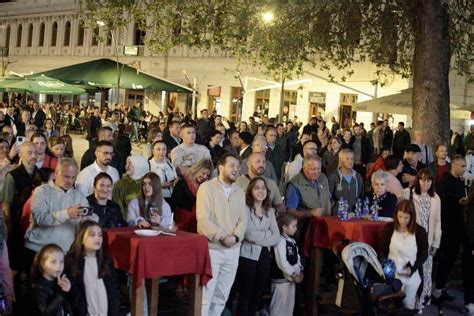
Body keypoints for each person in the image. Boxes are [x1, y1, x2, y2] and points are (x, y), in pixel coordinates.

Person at [196, 153, 247, 316]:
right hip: (213, 249)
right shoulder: (207, 188)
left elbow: (243, 220)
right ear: (221, 168)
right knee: (206, 295)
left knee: (222, 295)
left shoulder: (240, 191)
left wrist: (236, 237)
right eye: (232, 166)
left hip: (233, 250)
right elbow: (203, 218)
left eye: (238, 167)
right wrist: (222, 236)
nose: (236, 169)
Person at [25, 158, 98, 255]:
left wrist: (87, 221)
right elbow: (40, 218)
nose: (70, 181)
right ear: (56, 173)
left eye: (73, 177)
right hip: (38, 249)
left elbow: (92, 217)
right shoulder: (42, 191)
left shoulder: (79, 196)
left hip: (66, 252)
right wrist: (66, 214)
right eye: (66, 177)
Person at [235, 177, 280, 315]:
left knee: (257, 293)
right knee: (245, 293)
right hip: (247, 256)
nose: (261, 191)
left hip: (264, 256)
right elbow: (248, 234)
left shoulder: (270, 211)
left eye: (263, 188)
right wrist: (267, 234)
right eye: (257, 188)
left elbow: (276, 237)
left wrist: (259, 237)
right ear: (251, 191)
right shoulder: (245, 209)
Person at [400, 168, 441, 308]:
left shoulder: (435, 198)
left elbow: (437, 222)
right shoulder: (408, 194)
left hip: (427, 242)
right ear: (418, 180)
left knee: (425, 273)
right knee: (410, 271)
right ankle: (407, 302)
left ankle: (421, 302)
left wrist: (436, 243)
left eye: (429, 180)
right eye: (423, 179)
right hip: (410, 239)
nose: (426, 183)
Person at [1, 142, 42, 272]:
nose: (33, 156)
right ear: (21, 155)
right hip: (17, 226)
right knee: (16, 265)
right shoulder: (12, 176)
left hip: (36, 225)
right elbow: (6, 205)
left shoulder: (41, 175)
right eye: (29, 153)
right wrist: (9, 228)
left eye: (35, 152)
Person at [65, 221, 120, 316]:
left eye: (100, 235)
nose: (97, 238)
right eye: (92, 235)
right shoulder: (71, 262)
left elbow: (114, 291)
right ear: (81, 239)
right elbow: (73, 295)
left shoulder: (106, 261)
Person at [381, 200, 428, 309]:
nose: (402, 221)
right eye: (400, 217)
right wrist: (385, 263)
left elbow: (424, 254)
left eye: (406, 218)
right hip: (392, 275)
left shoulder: (420, 231)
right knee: (390, 306)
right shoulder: (389, 229)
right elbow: (382, 251)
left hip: (411, 276)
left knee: (407, 305)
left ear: (412, 217)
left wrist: (414, 267)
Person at [434, 155, 467, 301]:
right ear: (454, 166)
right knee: (446, 258)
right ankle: (438, 288)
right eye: (462, 166)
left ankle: (441, 287)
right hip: (448, 226)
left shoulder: (460, 182)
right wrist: (457, 202)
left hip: (459, 225)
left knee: (451, 259)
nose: (465, 169)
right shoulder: (445, 181)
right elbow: (442, 202)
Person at [286, 155, 331, 242]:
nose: (317, 172)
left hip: (325, 227)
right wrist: (310, 213)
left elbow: (328, 200)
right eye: (313, 169)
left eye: (319, 169)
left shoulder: (323, 178)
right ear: (304, 168)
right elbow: (290, 211)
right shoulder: (294, 184)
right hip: (305, 231)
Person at [270, 213, 303, 316]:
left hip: (292, 280)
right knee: (279, 305)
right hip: (281, 280)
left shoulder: (292, 241)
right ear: (284, 227)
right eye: (293, 226)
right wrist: (293, 274)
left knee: (289, 305)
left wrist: (300, 271)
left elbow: (297, 258)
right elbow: (282, 262)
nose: (296, 229)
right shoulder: (279, 241)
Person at [30, 244, 73, 316]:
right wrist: (62, 292)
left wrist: (69, 289)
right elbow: (46, 312)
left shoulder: (61, 281)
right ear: (43, 264)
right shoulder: (38, 287)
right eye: (53, 262)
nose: (59, 265)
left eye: (61, 262)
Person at [328, 149, 364, 214]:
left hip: (354, 215)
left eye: (352, 159)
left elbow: (361, 195)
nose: (350, 161)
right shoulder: (333, 177)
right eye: (347, 159)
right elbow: (328, 197)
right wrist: (335, 207)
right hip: (337, 216)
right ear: (341, 160)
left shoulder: (358, 177)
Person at [460, 185, 474, 315]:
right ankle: (469, 304)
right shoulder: (471, 206)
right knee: (471, 277)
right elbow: (470, 229)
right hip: (471, 248)